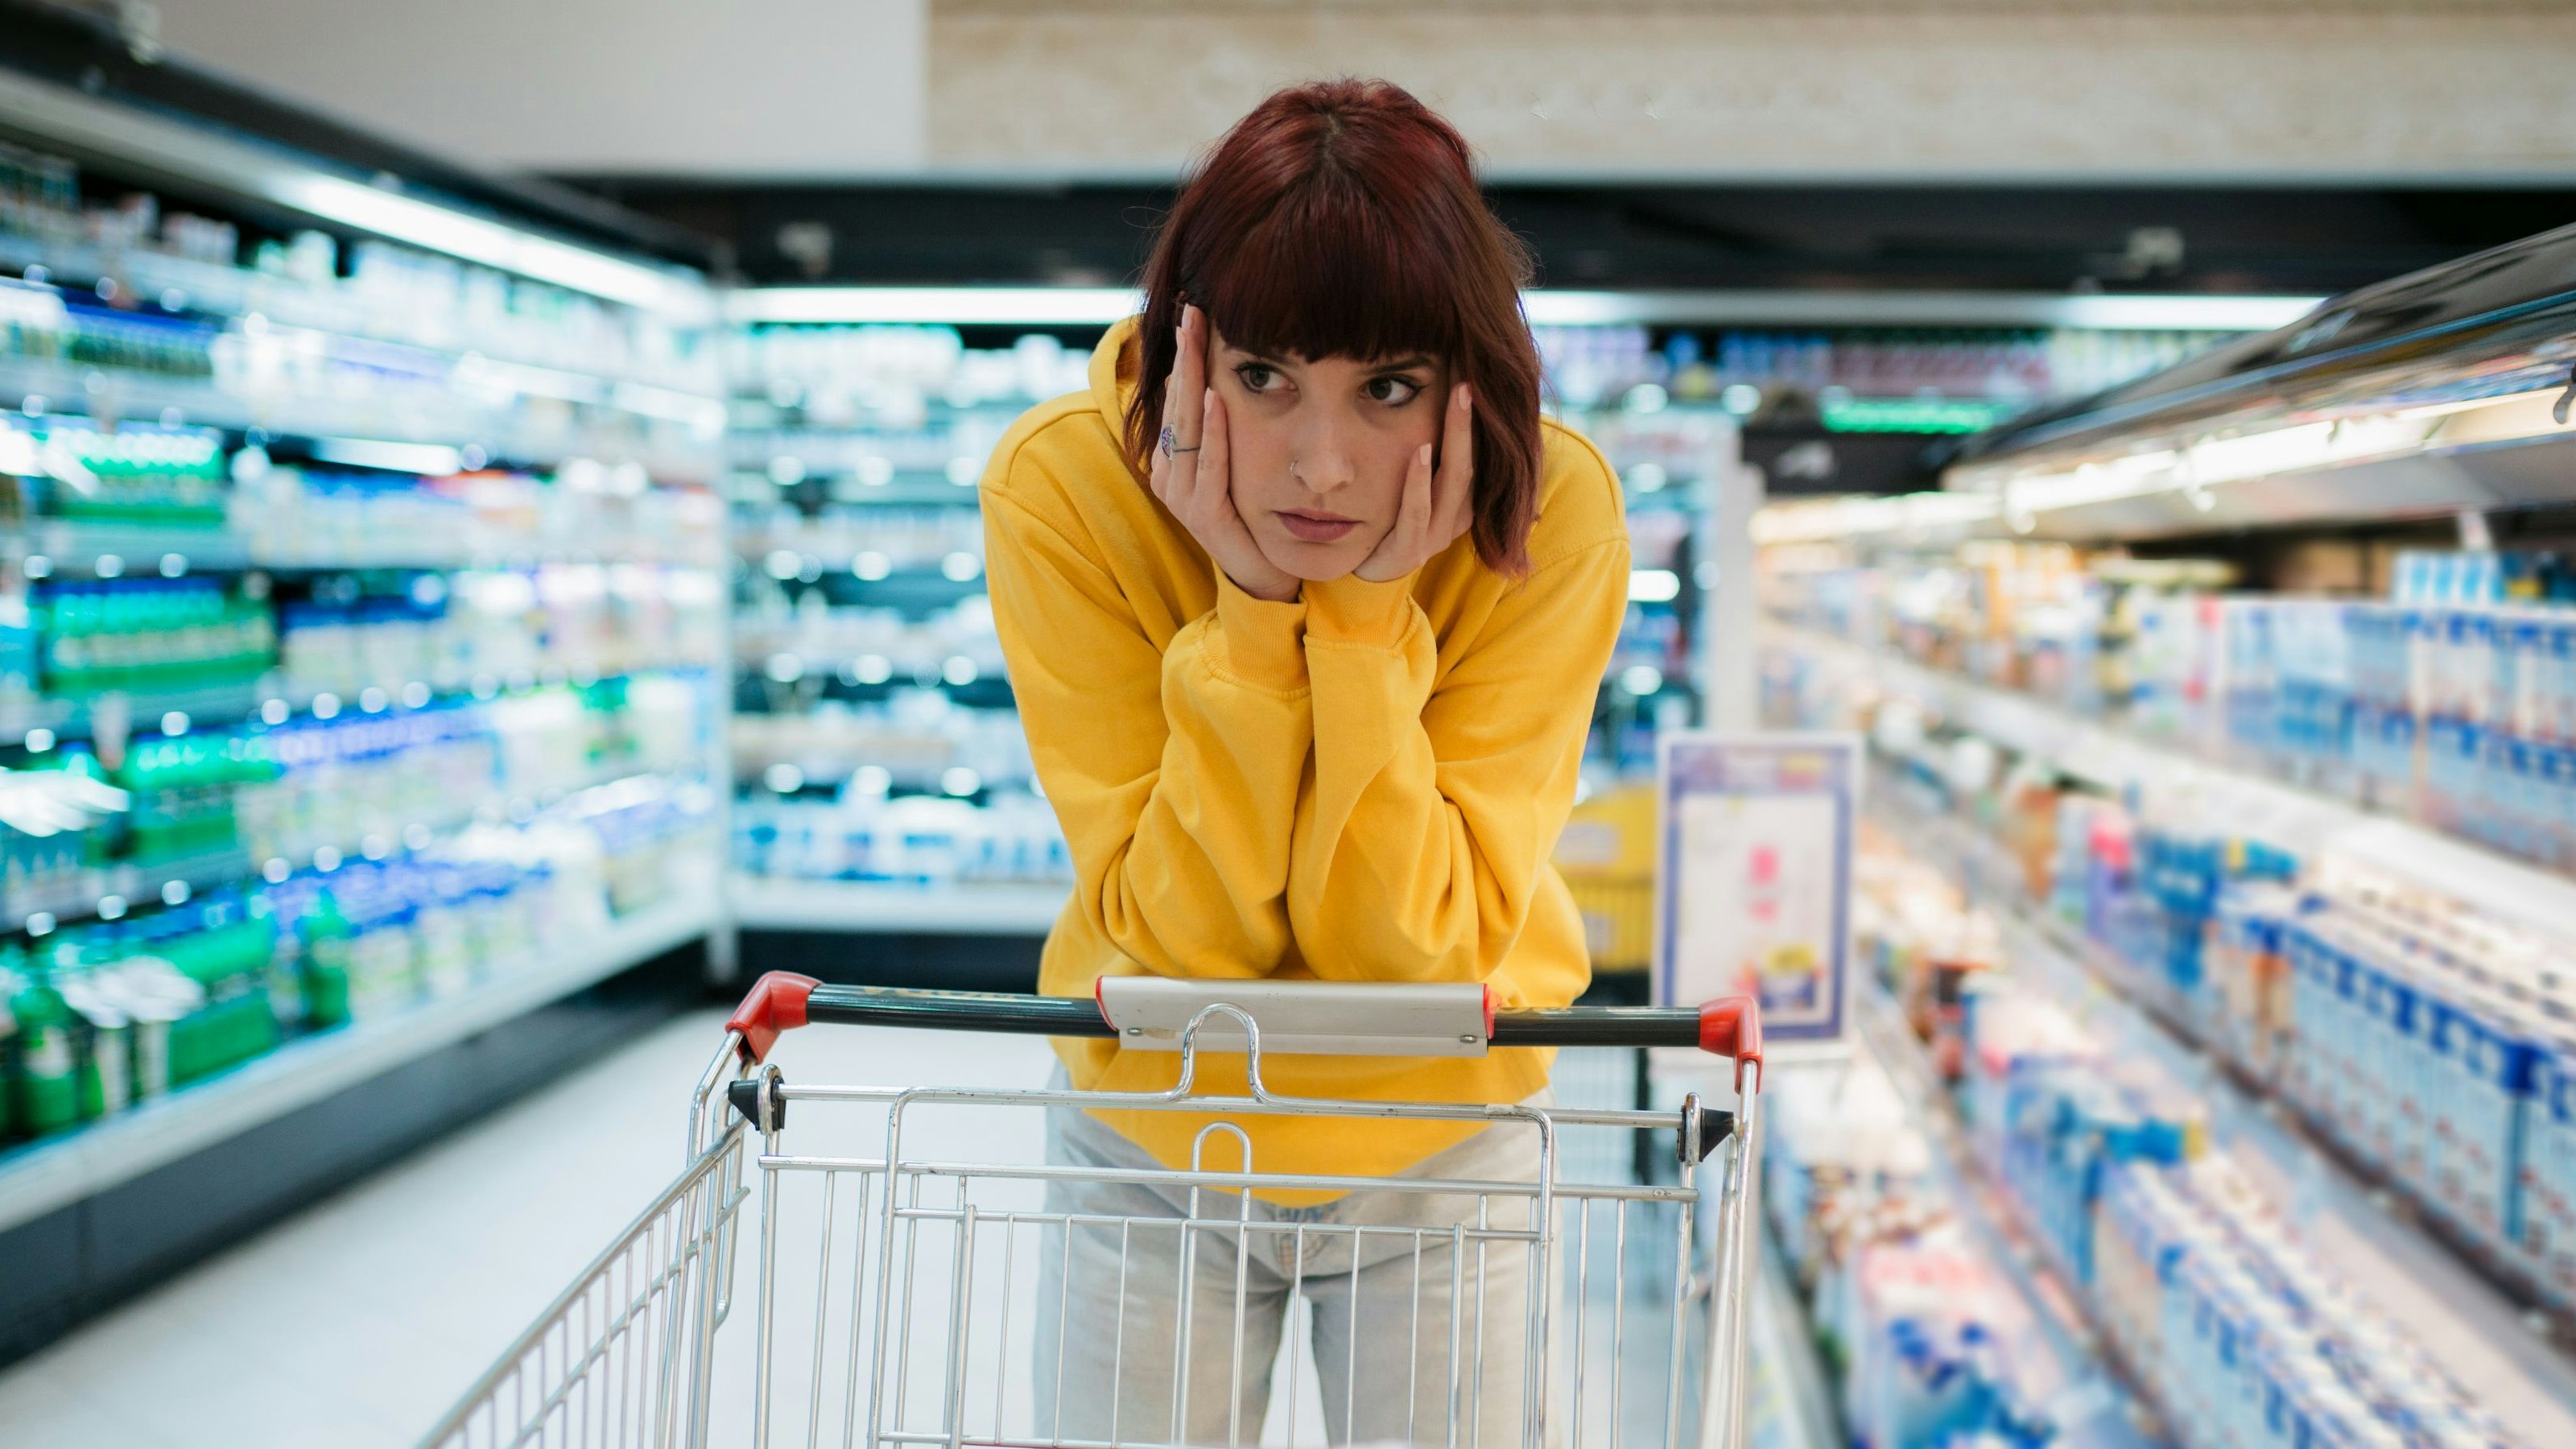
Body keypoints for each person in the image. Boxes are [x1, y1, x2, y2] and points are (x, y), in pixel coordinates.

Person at [980, 77, 1629, 1447]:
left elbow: (1422, 942)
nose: (1320, 468)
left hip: (1444, 1143)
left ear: (1467, 380)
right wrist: (1254, 618)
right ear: (1186, 352)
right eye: (1262, 378)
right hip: (1157, 1131)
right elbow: (1176, 942)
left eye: (1387, 388)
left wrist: (1353, 619)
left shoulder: (1548, 511)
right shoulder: (1069, 488)